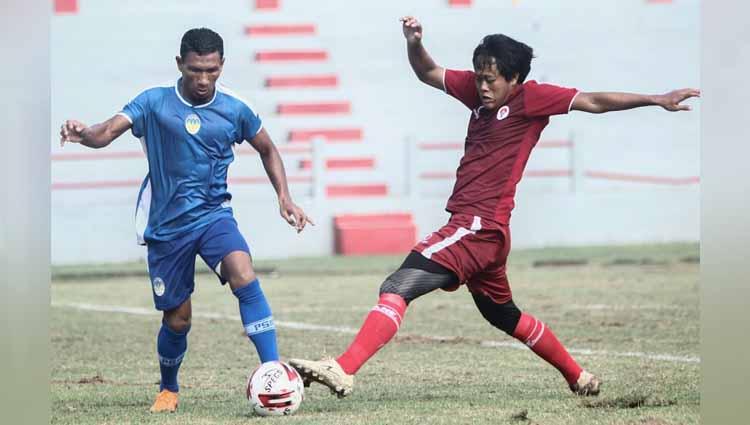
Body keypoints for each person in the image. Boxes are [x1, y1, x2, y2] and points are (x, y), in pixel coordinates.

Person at [290, 16, 699, 398]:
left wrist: (655, 98)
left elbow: (593, 101)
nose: (483, 87)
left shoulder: (532, 98)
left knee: (396, 287)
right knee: (504, 315)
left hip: (476, 226)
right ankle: (580, 377)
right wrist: (414, 43)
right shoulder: (479, 94)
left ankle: (343, 368)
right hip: (488, 233)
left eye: (492, 80)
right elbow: (427, 72)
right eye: (480, 78)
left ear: (514, 79)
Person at [59, 28, 313, 413]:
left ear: (221, 65)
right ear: (180, 64)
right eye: (195, 70)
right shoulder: (154, 102)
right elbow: (106, 132)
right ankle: (169, 388)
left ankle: (272, 369)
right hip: (167, 228)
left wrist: (285, 198)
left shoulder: (235, 107)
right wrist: (84, 134)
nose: (203, 79)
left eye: (211, 70)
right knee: (178, 320)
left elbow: (267, 147)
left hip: (214, 216)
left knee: (243, 272)